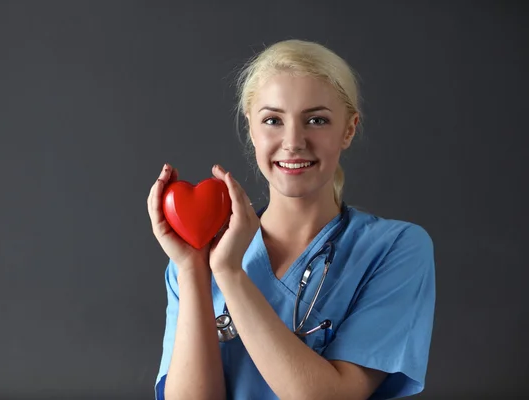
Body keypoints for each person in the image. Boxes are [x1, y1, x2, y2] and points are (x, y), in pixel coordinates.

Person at [147, 39, 436, 400]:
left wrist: (230, 275)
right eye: (272, 120)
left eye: (316, 120)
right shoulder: (194, 257)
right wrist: (193, 269)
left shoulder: (395, 248)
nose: (293, 141)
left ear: (348, 130)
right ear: (251, 128)